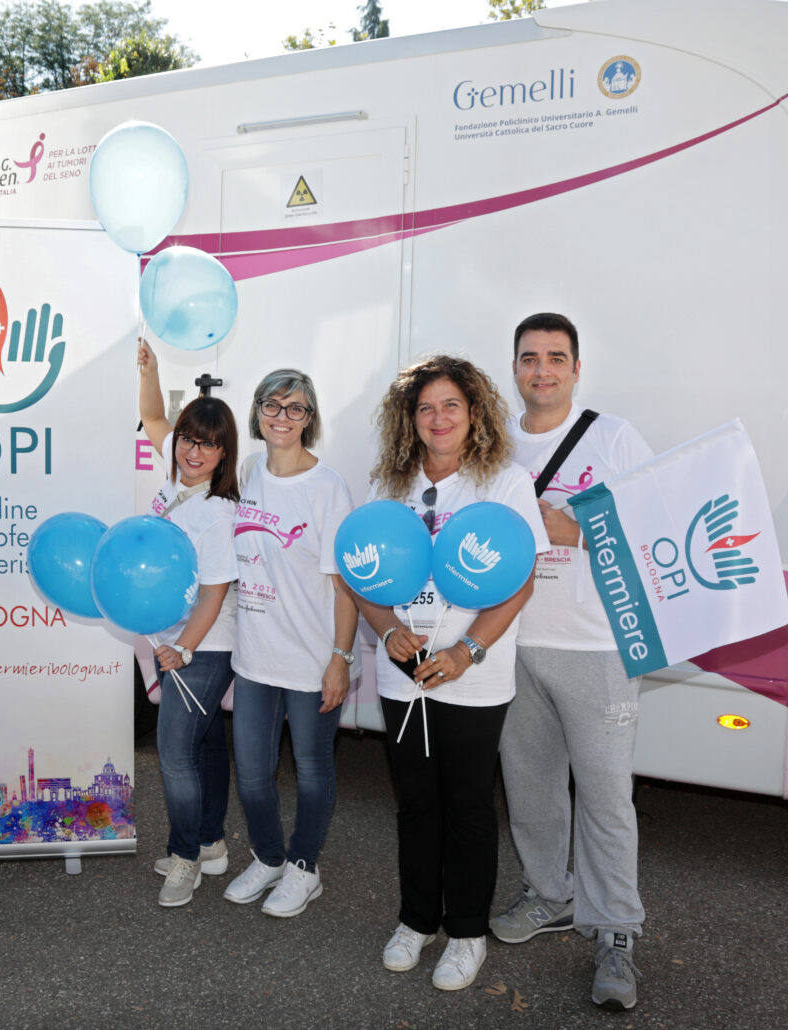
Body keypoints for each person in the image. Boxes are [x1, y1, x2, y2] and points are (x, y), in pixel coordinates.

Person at [351, 355, 548, 991]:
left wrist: (469, 651)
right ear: (410, 418)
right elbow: (361, 575)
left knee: (467, 804)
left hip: (474, 677)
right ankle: (417, 920)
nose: (439, 418)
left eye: (451, 406)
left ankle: (465, 932)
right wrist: (386, 630)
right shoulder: (389, 484)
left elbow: (517, 582)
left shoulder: (507, 483)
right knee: (415, 802)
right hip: (402, 674)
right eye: (426, 407)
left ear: (475, 414)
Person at [492, 313, 654, 1010]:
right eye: (530, 358)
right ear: (516, 367)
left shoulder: (613, 436)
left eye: (556, 357)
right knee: (529, 791)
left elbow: (655, 522)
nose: (542, 370)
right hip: (512, 645)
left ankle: (616, 932)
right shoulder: (494, 447)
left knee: (606, 796)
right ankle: (549, 895)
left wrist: (577, 528)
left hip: (597, 646)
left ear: (576, 368)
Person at [224, 369, 359, 918]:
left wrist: (340, 660)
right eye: (272, 406)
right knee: (252, 773)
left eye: (296, 408)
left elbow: (345, 583)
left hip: (311, 658)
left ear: (310, 418)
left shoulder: (328, 488)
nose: (283, 417)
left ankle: (305, 866)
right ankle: (269, 856)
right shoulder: (250, 470)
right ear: (257, 413)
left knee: (311, 768)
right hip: (255, 655)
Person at [137, 341, 240, 908]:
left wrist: (183, 648)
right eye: (188, 440)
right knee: (203, 748)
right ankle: (212, 844)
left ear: (223, 454)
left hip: (204, 648)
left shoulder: (216, 511)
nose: (193, 450)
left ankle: (186, 858)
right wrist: (151, 372)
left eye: (207, 444)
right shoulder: (176, 483)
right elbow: (154, 416)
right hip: (180, 643)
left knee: (174, 751)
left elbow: (215, 589)